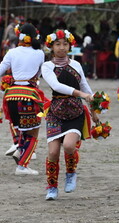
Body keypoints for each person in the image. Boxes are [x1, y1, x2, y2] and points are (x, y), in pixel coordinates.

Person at [0, 23, 46, 176]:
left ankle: (19, 149)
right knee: (33, 133)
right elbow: (39, 75)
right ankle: (23, 166)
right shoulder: (40, 54)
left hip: (11, 95)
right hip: (29, 95)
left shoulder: (12, 52)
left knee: (20, 127)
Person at [41, 29, 97, 200]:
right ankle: (52, 187)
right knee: (53, 153)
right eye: (57, 44)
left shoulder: (76, 65)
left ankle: (71, 173)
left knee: (69, 146)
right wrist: (82, 95)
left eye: (65, 44)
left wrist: (94, 111)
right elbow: (57, 86)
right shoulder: (47, 66)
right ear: (51, 47)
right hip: (55, 112)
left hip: (75, 112)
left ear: (70, 45)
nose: (61, 48)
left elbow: (86, 87)